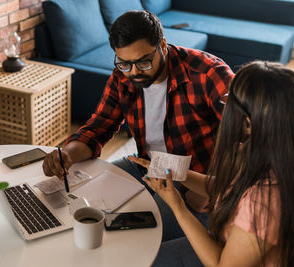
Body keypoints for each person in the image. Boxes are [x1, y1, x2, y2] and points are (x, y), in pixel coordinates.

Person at [42, 10, 234, 241]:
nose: (134, 72)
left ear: (162, 45)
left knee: (136, 237)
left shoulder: (207, 73)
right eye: (124, 63)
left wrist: (212, 187)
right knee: (81, 204)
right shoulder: (123, 76)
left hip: (196, 180)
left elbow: (251, 141)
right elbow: (98, 128)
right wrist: (67, 154)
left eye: (144, 62)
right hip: (147, 164)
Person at [131, 61, 294, 266]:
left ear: (248, 123)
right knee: (146, 245)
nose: (225, 109)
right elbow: (226, 190)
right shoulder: (281, 155)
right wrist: (172, 169)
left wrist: (177, 205)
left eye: (229, 102)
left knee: (143, 259)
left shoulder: (265, 201)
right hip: (227, 242)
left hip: (222, 256)